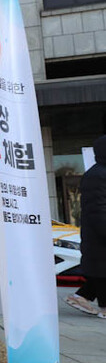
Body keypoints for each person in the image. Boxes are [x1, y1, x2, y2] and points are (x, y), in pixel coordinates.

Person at [66, 135, 106, 318]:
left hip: (97, 236)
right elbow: (97, 209)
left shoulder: (98, 173)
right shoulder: (98, 175)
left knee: (99, 272)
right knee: (101, 271)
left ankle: (80, 296)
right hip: (99, 235)